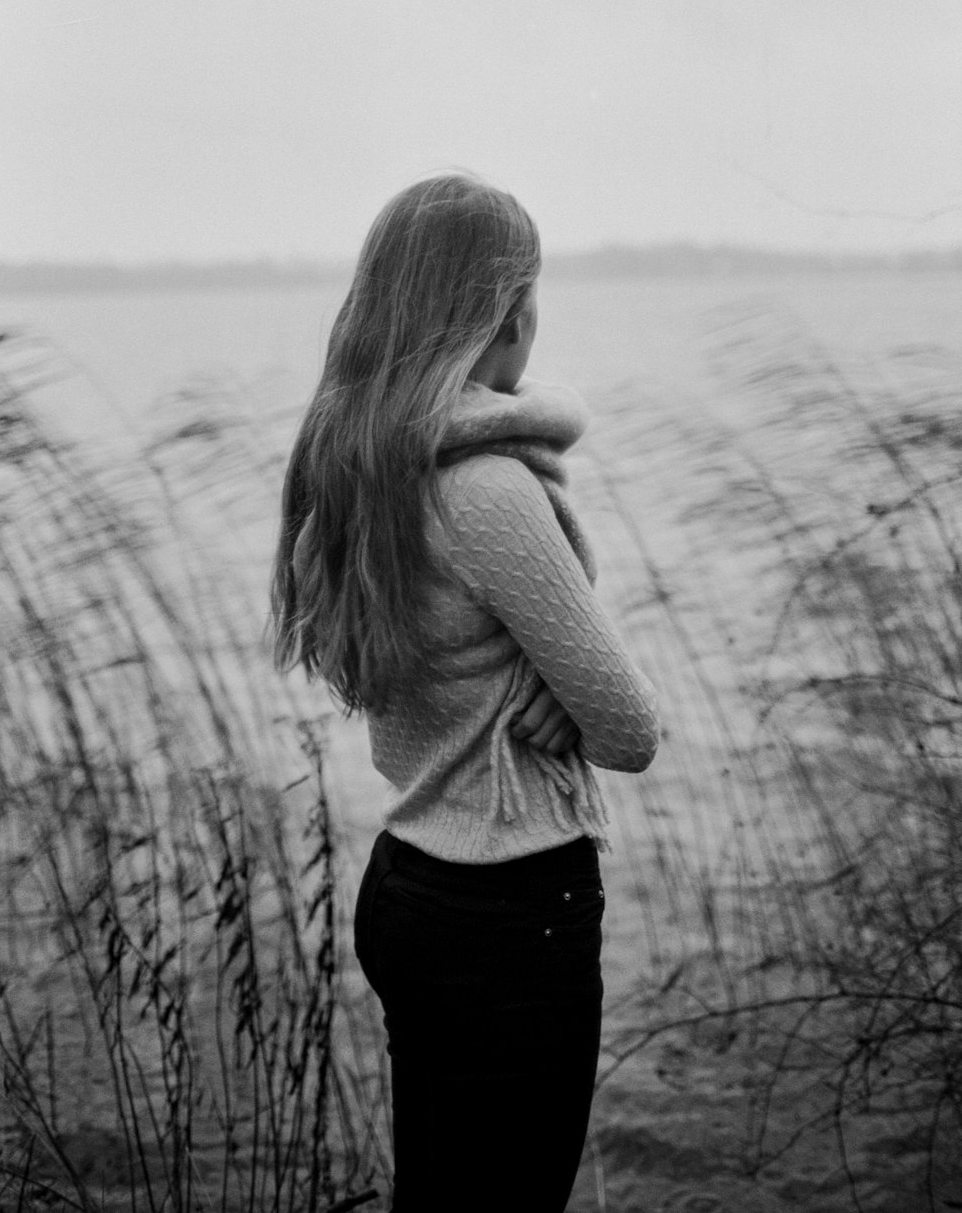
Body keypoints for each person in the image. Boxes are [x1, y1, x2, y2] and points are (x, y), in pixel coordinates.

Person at [271, 173, 659, 1212]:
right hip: (510, 915)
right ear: (508, 309)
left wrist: (542, 670)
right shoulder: (485, 485)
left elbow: (467, 637)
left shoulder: (366, 463)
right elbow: (627, 729)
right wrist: (566, 687)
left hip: (409, 887)